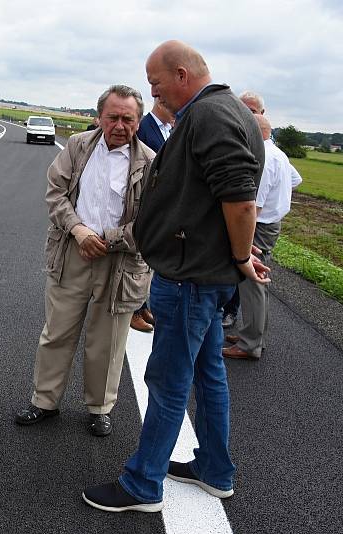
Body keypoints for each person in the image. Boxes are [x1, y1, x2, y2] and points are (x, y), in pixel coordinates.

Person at [83, 40, 269, 512]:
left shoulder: (208, 116)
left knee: (166, 381)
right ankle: (214, 468)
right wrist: (238, 258)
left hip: (189, 278)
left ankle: (143, 484)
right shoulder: (230, 112)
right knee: (208, 375)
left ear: (182, 75)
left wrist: (242, 252)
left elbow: (241, 199)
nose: (154, 92)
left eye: (156, 83)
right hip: (205, 273)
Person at [13, 85, 155, 437]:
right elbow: (56, 193)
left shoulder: (151, 163)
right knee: (57, 332)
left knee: (107, 342)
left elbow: (154, 221)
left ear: (138, 121)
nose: (120, 125)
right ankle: (44, 401)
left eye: (128, 118)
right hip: (73, 252)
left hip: (119, 261)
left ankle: (100, 408)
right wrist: (79, 231)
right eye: (113, 117)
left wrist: (106, 239)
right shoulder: (78, 146)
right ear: (99, 117)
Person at [223, 114, 302, 360]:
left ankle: (250, 344)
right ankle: (254, 333)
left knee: (252, 283)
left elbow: (251, 206)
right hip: (272, 223)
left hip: (258, 226)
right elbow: (295, 180)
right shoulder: (279, 154)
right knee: (257, 282)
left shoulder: (262, 158)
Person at [129, 97, 175, 333]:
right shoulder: (145, 128)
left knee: (148, 262)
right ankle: (134, 310)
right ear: (160, 102)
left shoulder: (169, 129)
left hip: (160, 202)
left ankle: (142, 305)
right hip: (143, 200)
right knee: (138, 258)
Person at [221, 90, 265, 328]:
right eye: (243, 110)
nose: (247, 116)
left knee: (244, 271)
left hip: (253, 221)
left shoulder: (262, 151)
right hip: (246, 219)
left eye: (252, 111)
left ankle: (247, 330)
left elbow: (248, 202)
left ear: (262, 114)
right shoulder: (238, 143)